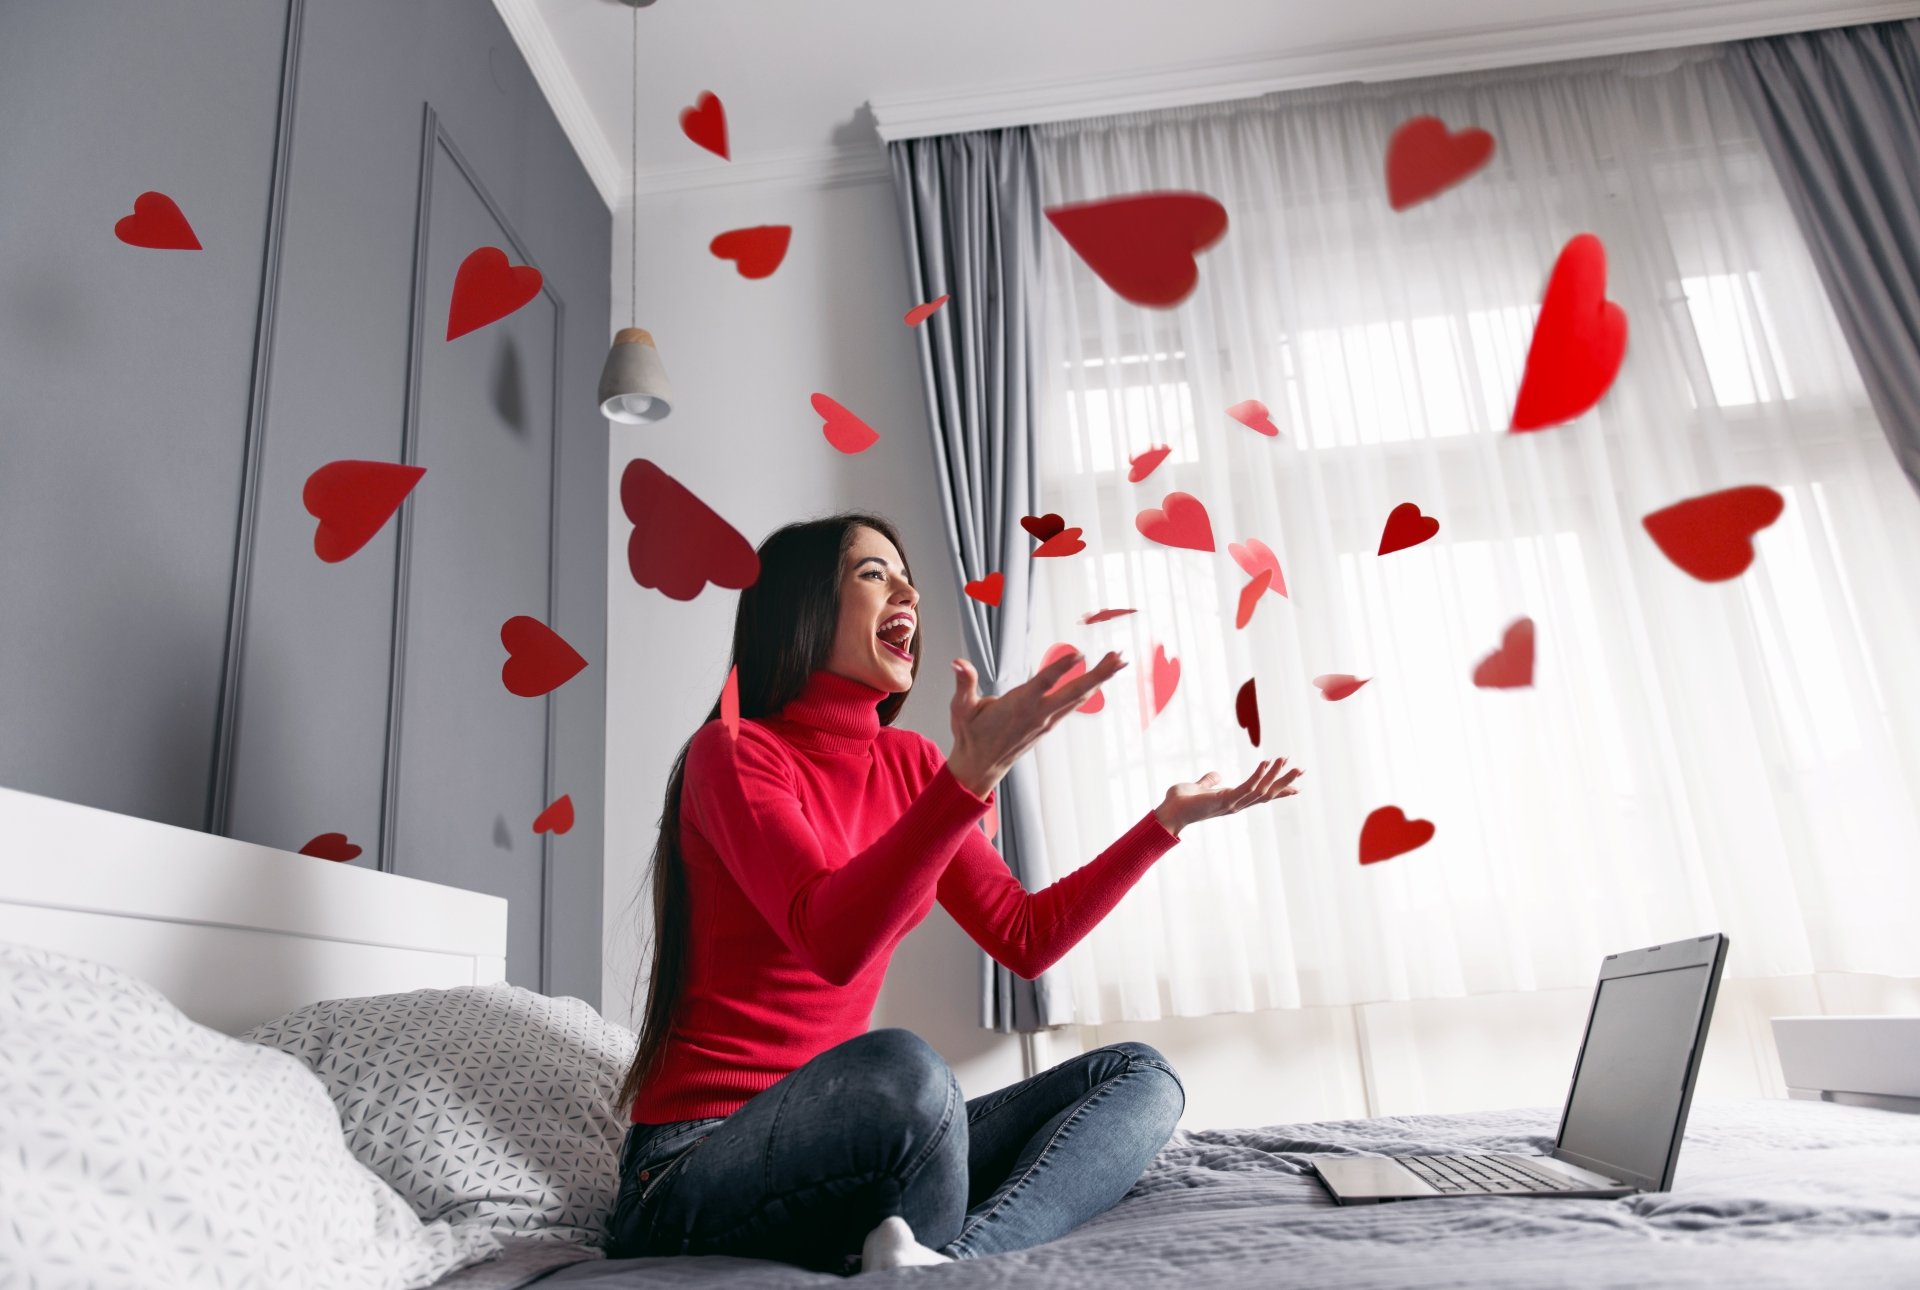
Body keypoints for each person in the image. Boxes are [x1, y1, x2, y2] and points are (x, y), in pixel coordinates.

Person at [607, 512, 1304, 1274]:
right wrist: (967, 783)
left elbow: (1025, 937)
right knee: (907, 1072)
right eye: (873, 573)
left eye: (904, 573)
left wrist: (1163, 823)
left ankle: (954, 1263)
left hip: (847, 1141)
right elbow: (829, 940)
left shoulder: (909, 765)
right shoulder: (736, 752)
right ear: (801, 607)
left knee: (1138, 1076)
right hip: (692, 1163)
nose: (908, 587)